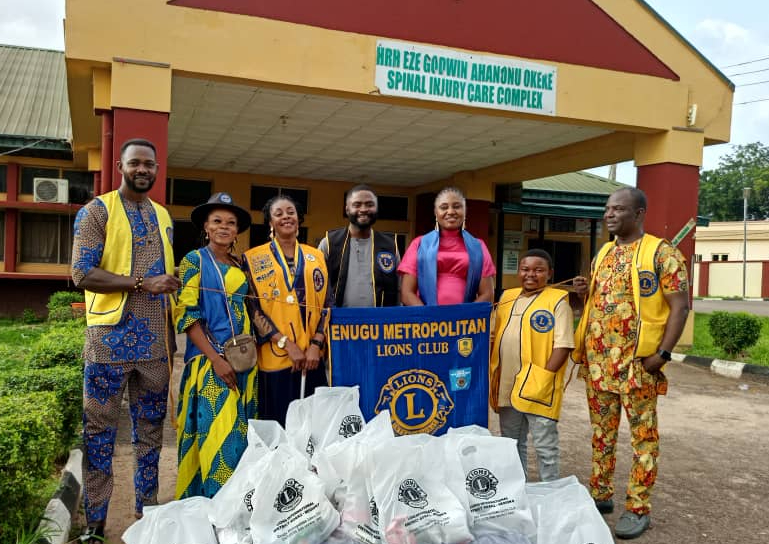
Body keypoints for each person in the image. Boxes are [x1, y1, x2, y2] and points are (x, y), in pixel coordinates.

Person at [71, 138, 181, 543]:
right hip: (108, 343)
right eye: (135, 163)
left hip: (154, 347)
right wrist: (141, 283)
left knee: (150, 434)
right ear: (120, 165)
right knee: (98, 432)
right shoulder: (96, 211)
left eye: (149, 164)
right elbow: (82, 273)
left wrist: (170, 342)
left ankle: (147, 513)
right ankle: (95, 523)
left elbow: (164, 281)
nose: (143, 170)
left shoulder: (164, 216)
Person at [572, 187, 689, 540]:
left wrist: (663, 354)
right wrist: (583, 294)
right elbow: (602, 301)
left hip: (640, 364)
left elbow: (680, 306)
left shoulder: (662, 253)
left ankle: (638, 508)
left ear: (638, 214)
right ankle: (601, 494)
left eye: (618, 209)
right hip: (598, 365)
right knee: (601, 436)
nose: (609, 214)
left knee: (643, 439)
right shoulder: (604, 252)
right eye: (608, 208)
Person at [174, 192, 258, 499]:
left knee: (239, 435)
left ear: (237, 231)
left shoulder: (239, 264)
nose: (224, 227)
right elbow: (187, 315)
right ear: (206, 227)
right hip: (212, 364)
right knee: (217, 434)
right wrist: (216, 359)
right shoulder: (193, 261)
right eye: (217, 221)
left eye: (231, 223)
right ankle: (212, 504)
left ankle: (236, 505)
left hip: (245, 363)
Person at [243, 195, 331, 427]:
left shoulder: (317, 256)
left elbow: (327, 304)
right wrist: (286, 344)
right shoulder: (252, 259)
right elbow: (253, 309)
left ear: (299, 218)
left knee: (313, 426)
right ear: (270, 222)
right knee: (279, 425)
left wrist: (316, 345)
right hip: (276, 358)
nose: (286, 217)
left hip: (313, 358)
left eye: (290, 212)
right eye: (278, 213)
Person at [489, 249, 574, 482]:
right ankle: (520, 492)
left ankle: (552, 495)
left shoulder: (557, 300)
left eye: (539, 270)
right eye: (525, 269)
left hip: (539, 386)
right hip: (507, 384)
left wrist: (543, 378)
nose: (531, 275)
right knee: (512, 444)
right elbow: (492, 336)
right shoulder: (506, 298)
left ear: (550, 274)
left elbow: (563, 345)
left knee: (545, 447)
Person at [398, 187, 495, 305]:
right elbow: (407, 293)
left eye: (457, 206)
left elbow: (487, 294)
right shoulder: (419, 244)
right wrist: (428, 317)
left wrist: (464, 316)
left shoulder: (478, 247)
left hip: (465, 320)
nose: (450, 211)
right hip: (427, 320)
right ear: (436, 212)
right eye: (444, 207)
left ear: (465, 211)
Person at [319, 184, 400, 307]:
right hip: (338, 322)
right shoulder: (329, 243)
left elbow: (399, 288)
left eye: (369, 204)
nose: (363, 209)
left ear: (377, 208)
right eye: (357, 205)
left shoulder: (390, 245)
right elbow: (316, 285)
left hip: (380, 322)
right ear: (347, 210)